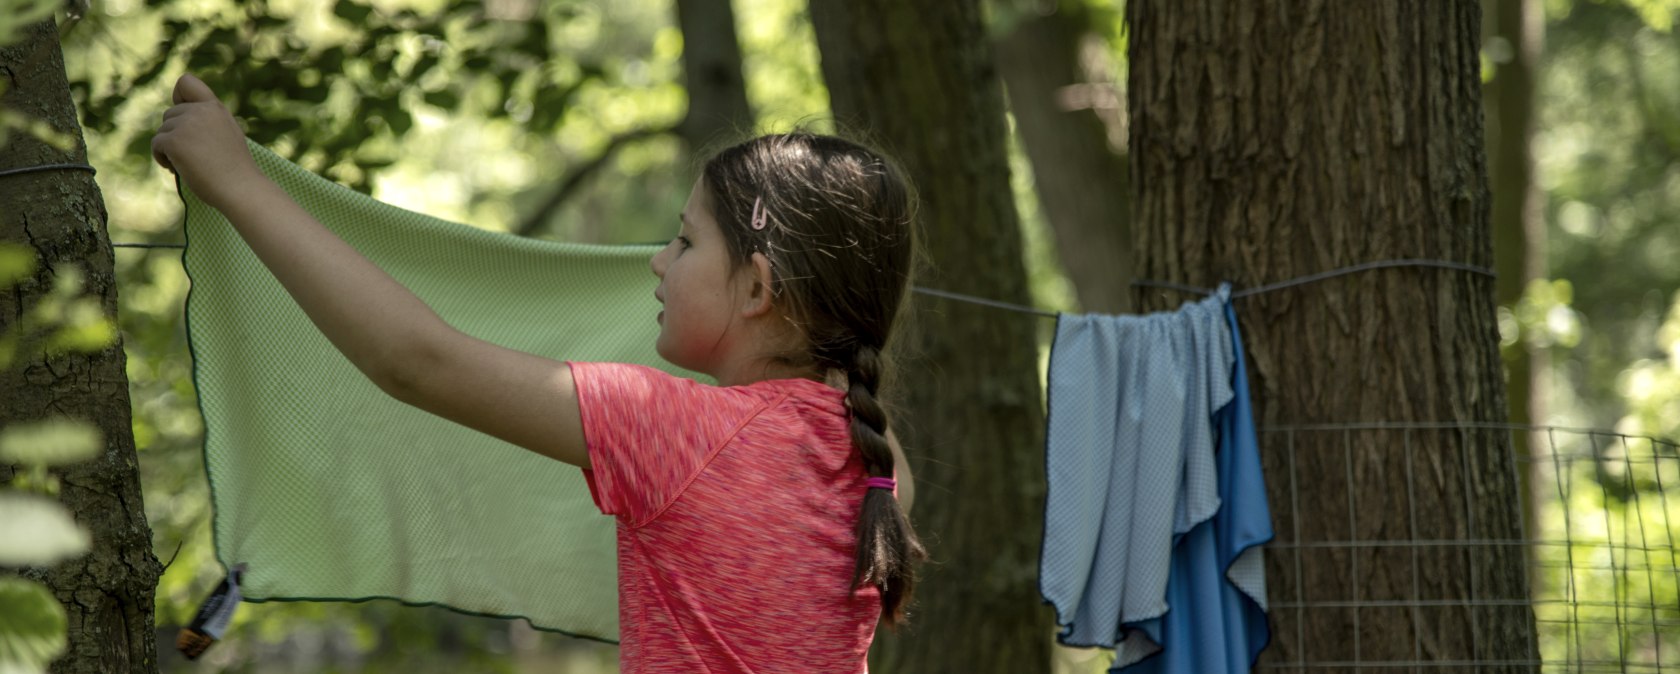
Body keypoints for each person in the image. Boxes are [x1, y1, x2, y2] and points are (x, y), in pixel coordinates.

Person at [152, 73, 926, 672]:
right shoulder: (880, 461)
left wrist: (236, 182)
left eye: (684, 244)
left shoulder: (679, 433)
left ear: (758, 289)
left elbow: (416, 362)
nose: (657, 262)